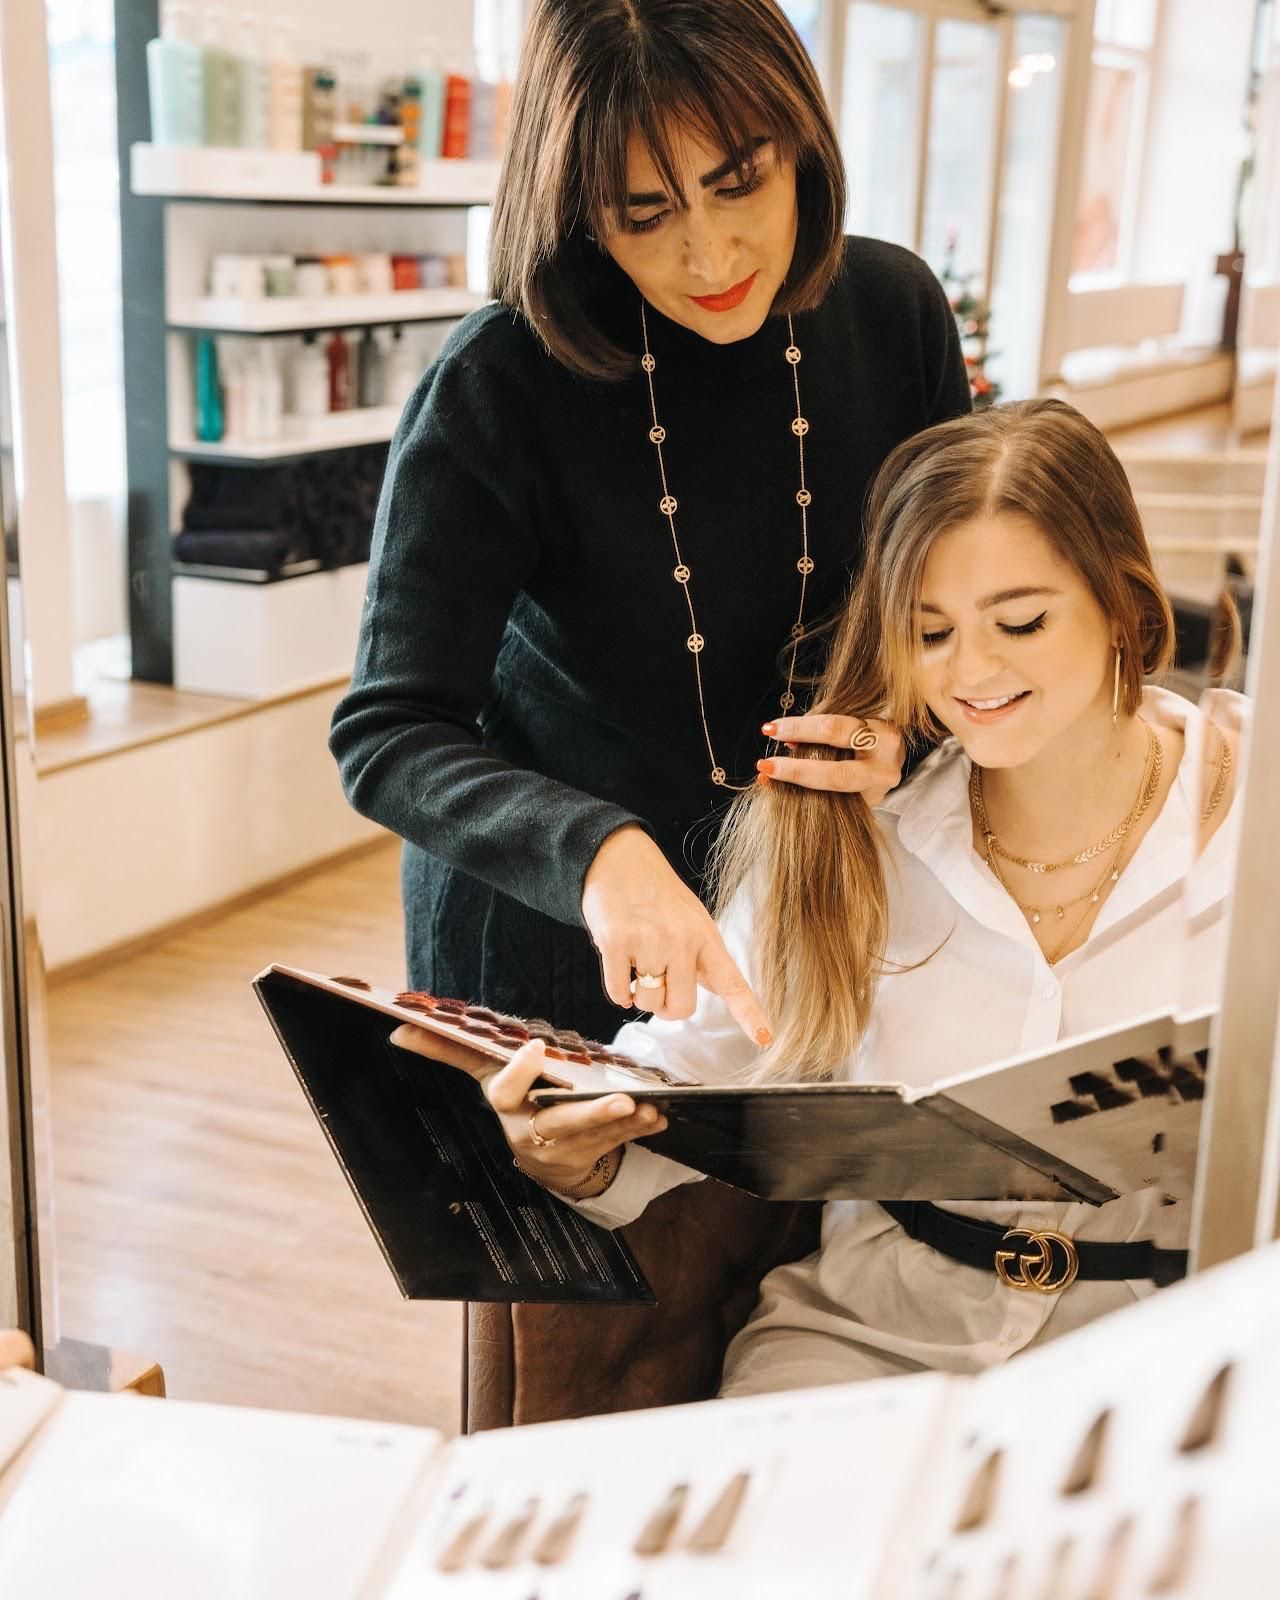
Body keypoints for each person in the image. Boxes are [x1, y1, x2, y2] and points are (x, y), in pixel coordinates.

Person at [392, 399, 1242, 1389]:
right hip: (872, 1339)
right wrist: (569, 1152)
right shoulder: (848, 840)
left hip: (1172, 1354)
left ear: (1124, 608)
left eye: (1019, 620)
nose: (970, 671)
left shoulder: (1247, 833)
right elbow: (687, 1077)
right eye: (928, 633)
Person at [329, 0, 970, 1054]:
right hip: (553, 936)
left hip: (821, 904)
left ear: (799, 139)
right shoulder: (499, 381)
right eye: (643, 213)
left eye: (739, 183)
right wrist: (592, 852)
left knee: (795, 1216)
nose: (708, 252)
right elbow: (388, 733)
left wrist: (905, 730)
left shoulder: (892, 314)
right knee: (579, 1211)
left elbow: (951, 621)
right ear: (579, 208)